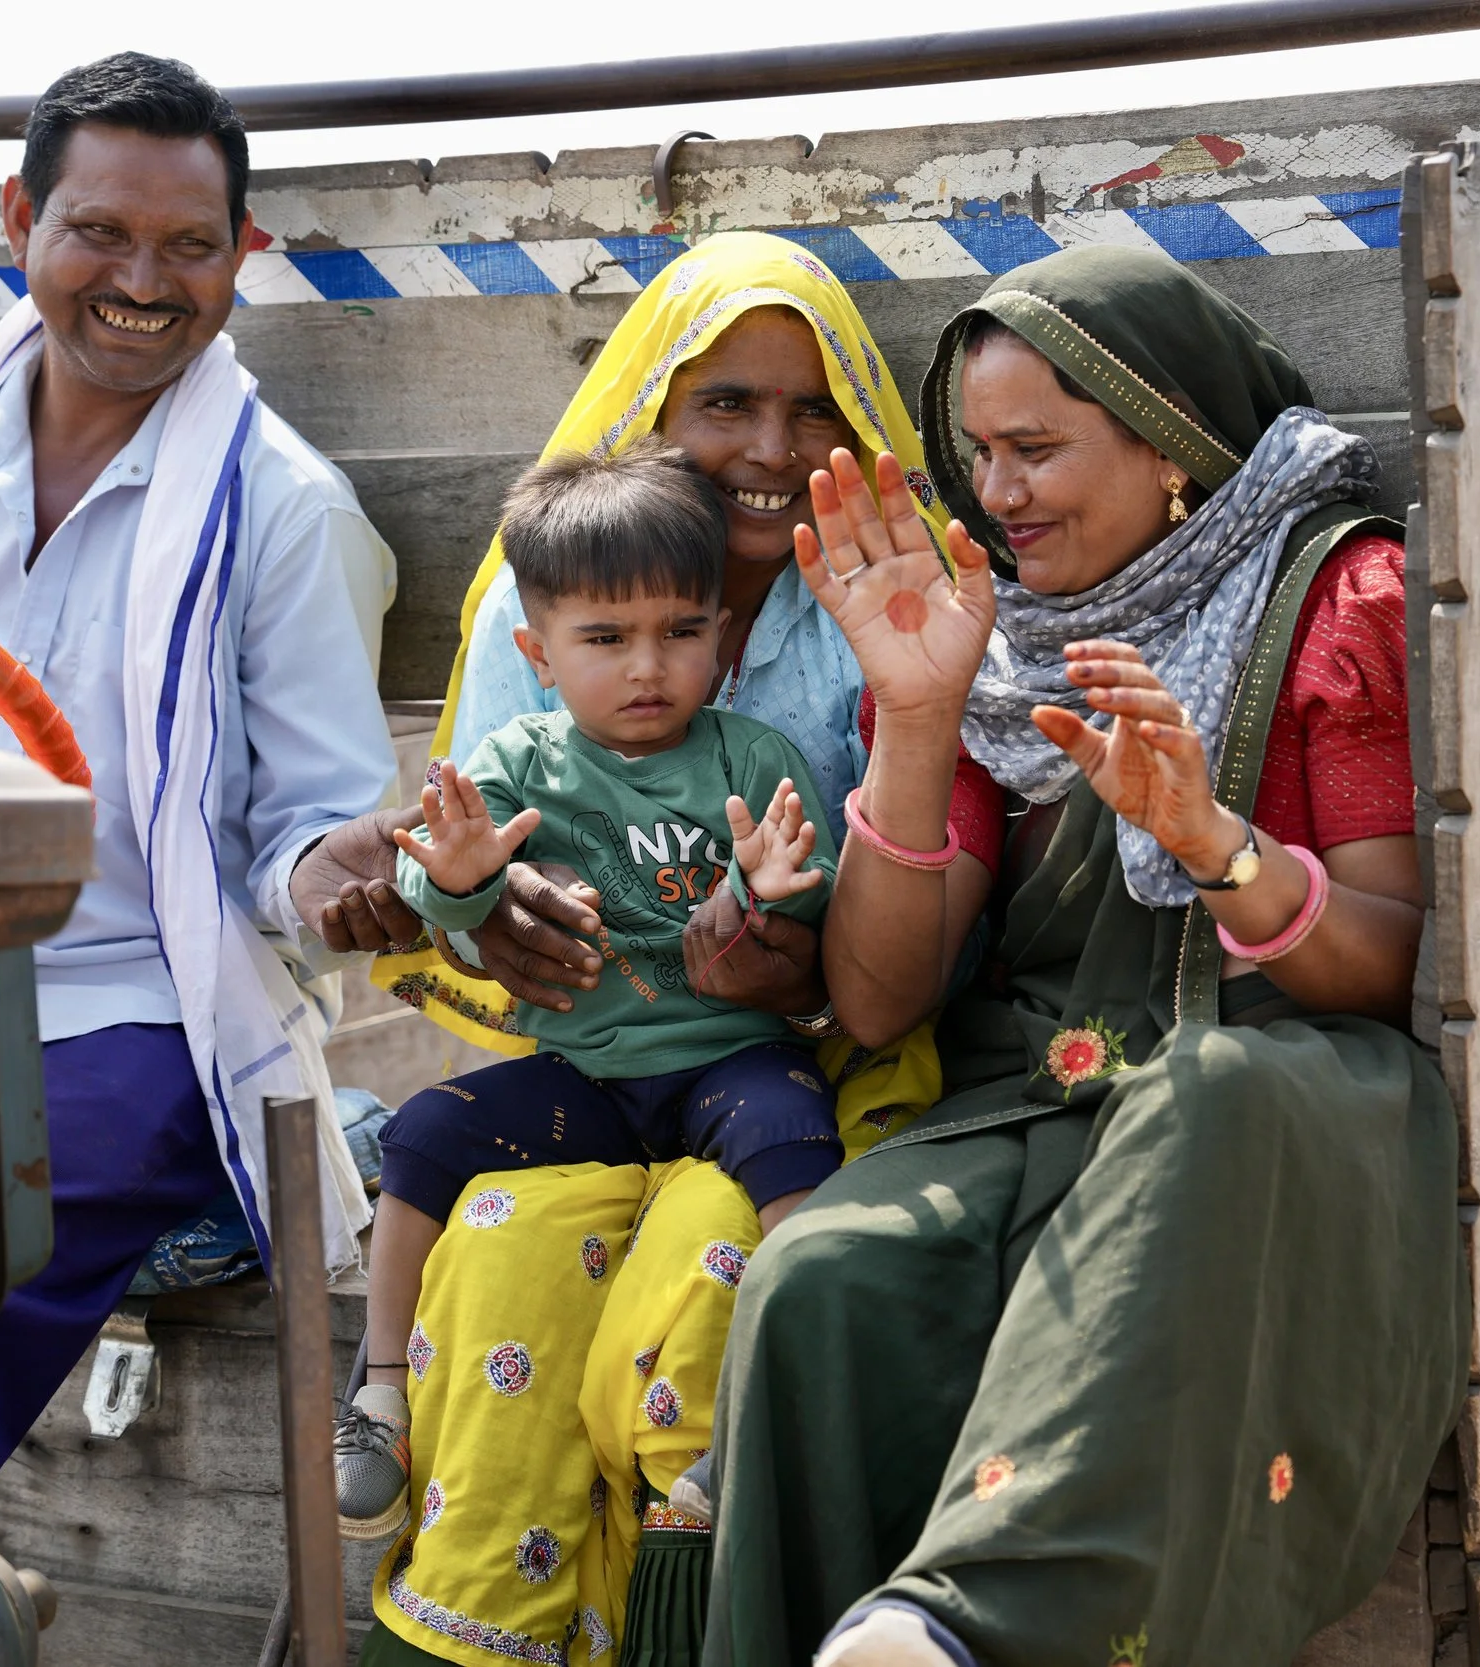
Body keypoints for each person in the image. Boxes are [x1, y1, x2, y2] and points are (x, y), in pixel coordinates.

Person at [703, 246, 1470, 1667]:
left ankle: (966, 1631)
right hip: (1044, 1096)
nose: (996, 494)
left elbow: (1383, 966)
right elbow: (877, 1001)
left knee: (1207, 1090)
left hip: (1290, 1092)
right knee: (821, 1276)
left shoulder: (1334, 594)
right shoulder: (996, 636)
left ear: (1168, 441)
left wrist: (1216, 843)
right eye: (976, 454)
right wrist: (920, 715)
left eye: (1037, 449)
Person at [0, 51, 418, 1521]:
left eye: (191, 245)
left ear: (239, 260)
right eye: (100, 233)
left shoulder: (287, 513)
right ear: (20, 223)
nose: (145, 278)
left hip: (143, 1011)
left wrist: (339, 874)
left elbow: (309, 831)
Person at [354, 234, 1005, 1667]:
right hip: (600, 1057)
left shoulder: (904, 598)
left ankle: (694, 1614)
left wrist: (784, 954)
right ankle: (476, 1593)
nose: (772, 448)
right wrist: (494, 912)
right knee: (500, 1246)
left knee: (707, 1283)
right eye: (726, 403)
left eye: (815, 406)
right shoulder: (541, 634)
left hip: (825, 1069)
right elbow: (469, 867)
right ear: (653, 410)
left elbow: (913, 913)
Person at [337, 441, 844, 1539]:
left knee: (798, 1140)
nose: (647, 667)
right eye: (605, 639)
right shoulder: (518, 761)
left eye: (681, 631)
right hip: (587, 1080)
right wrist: (463, 875)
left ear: (723, 630)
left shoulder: (752, 760)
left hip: (730, 1060)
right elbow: (437, 877)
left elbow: (816, 904)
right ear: (539, 649)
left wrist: (770, 897)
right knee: (421, 1134)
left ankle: (764, 1400)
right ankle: (378, 1391)